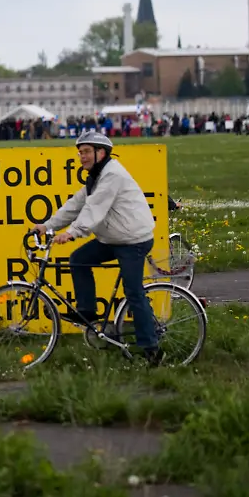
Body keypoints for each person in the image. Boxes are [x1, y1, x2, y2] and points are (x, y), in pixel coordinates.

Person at [33, 130, 163, 366]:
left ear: (100, 152)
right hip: (113, 239)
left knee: (133, 292)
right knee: (78, 259)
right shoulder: (96, 176)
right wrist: (47, 225)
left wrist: (72, 233)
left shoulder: (112, 175)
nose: (81, 156)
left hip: (133, 240)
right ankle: (88, 311)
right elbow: (76, 204)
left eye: (85, 152)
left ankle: (151, 348)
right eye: (80, 152)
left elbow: (95, 208)